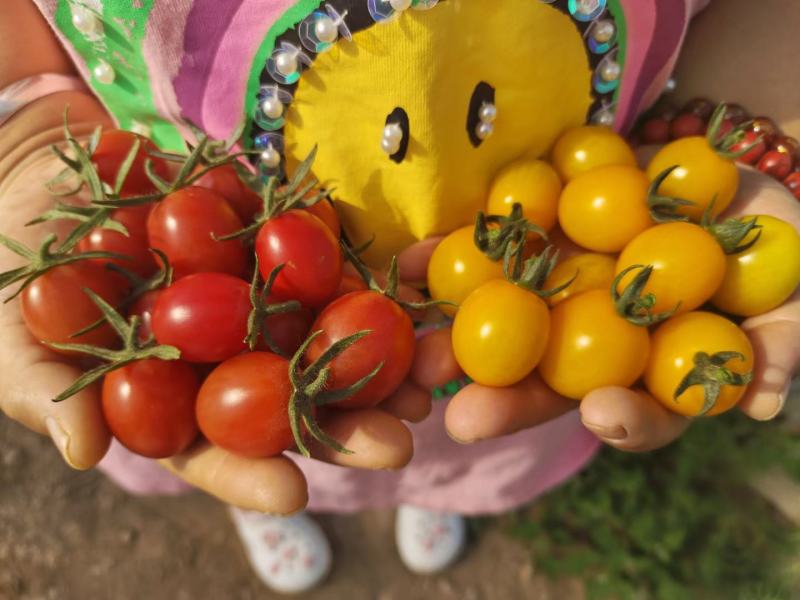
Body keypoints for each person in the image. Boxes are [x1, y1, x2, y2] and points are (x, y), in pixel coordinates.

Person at [1, 0, 798, 593]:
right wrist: (29, 137)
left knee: (455, 429)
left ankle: (437, 492)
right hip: (235, 333)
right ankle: (271, 496)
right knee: (257, 437)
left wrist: (744, 127)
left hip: (537, 309)